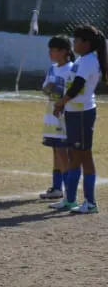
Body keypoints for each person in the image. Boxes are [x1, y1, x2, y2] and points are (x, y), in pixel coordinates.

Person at [52, 25, 105, 214]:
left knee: (84, 155)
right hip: (74, 112)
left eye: (77, 40)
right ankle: (70, 200)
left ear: (86, 43)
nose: (74, 43)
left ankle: (90, 203)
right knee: (74, 155)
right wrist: (64, 105)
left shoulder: (89, 61)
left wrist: (61, 103)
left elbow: (77, 87)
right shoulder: (83, 59)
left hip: (82, 113)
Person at [39, 36, 77, 202]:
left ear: (65, 52)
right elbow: (45, 90)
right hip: (51, 115)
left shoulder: (72, 69)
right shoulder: (52, 69)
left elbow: (73, 93)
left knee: (63, 152)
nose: (50, 54)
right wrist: (49, 88)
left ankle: (69, 191)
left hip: (63, 116)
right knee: (55, 150)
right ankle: (56, 188)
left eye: (53, 50)